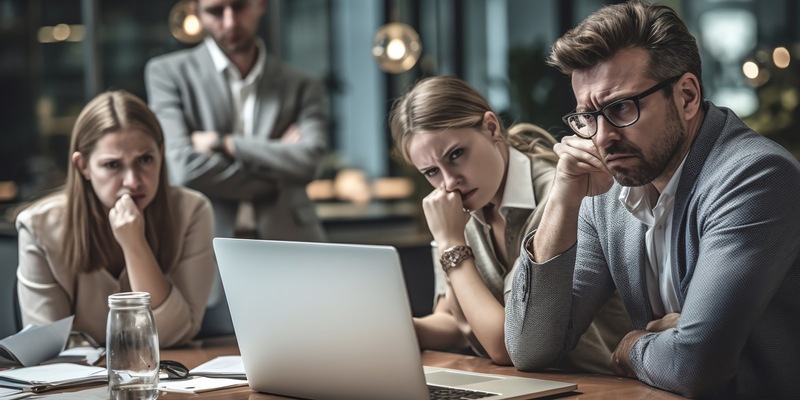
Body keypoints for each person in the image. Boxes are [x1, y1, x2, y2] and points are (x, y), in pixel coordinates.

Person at [504, 1, 800, 398]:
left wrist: (631, 348)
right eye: (587, 116)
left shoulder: (755, 176)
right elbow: (531, 347)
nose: (602, 137)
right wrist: (563, 196)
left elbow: (695, 365)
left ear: (687, 96)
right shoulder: (607, 191)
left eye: (621, 107)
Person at [389, 76, 631, 371]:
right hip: (530, 385)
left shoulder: (562, 195)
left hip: (596, 385)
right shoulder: (458, 207)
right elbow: (453, 320)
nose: (449, 182)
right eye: (431, 172)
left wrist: (451, 244)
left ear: (491, 127)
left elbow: (506, 345)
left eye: (456, 155)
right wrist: (398, 329)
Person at [16, 91, 216, 348]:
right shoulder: (38, 227)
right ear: (83, 166)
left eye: (145, 159)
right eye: (112, 165)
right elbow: (45, 349)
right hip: (78, 386)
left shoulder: (192, 211)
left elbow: (173, 335)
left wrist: (134, 244)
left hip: (164, 379)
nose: (133, 181)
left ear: (161, 154)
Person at [144, 0, 327, 242]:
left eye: (239, 6)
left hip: (292, 239)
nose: (230, 22)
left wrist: (223, 143)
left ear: (260, 4)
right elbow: (183, 169)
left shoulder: (302, 84)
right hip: (203, 241)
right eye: (216, 11)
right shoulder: (168, 74)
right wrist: (277, 173)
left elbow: (310, 162)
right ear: (195, 11)